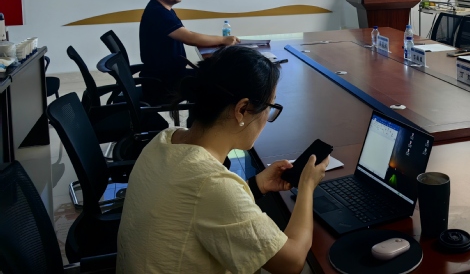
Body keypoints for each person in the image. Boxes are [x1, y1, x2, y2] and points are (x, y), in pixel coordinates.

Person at [117, 46, 330, 274]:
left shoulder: (165, 139)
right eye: (269, 107)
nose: (267, 117)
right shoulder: (211, 184)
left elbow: (195, 205)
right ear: (242, 109)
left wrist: (255, 186)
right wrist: (306, 187)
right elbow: (291, 263)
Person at [139, 0, 239, 102]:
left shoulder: (162, 9)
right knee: (220, 82)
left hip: (168, 75)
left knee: (215, 76)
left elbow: (187, 35)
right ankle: (205, 116)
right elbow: (189, 37)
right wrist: (223, 39)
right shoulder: (158, 13)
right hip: (164, 83)